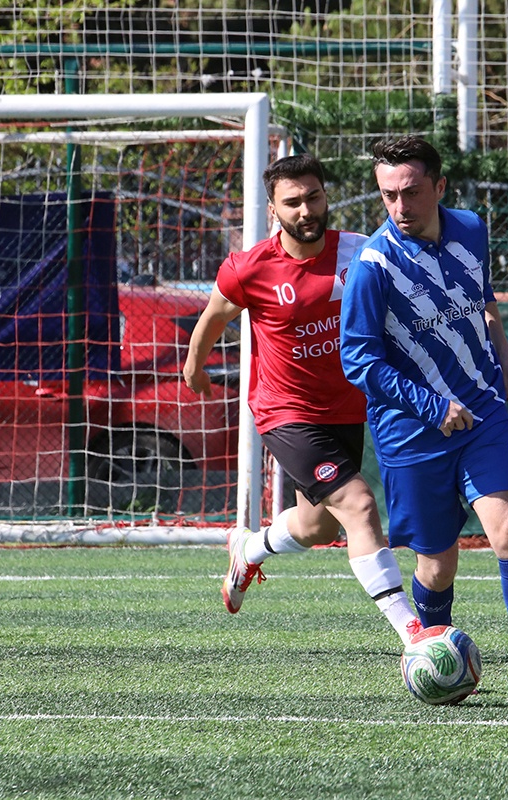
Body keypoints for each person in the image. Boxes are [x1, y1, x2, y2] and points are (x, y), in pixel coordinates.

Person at [339, 136, 508, 703]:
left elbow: (483, 298)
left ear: (439, 186)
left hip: (481, 408)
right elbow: (358, 361)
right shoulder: (372, 268)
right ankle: (435, 652)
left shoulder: (471, 228)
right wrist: (433, 406)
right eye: (388, 195)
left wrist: (505, 354)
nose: (400, 206)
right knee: (437, 567)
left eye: (411, 192)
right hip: (412, 432)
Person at [183, 153, 421, 644]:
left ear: (326, 197)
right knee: (359, 505)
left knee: (317, 528)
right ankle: (414, 633)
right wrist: (194, 368)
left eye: (313, 197)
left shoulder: (360, 252)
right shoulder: (250, 268)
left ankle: (249, 550)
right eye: (292, 202)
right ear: (273, 210)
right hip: (285, 412)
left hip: (346, 409)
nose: (306, 210)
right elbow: (213, 317)